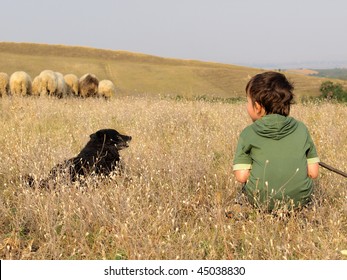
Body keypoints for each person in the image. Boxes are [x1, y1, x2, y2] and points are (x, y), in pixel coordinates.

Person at [232, 71, 320, 211]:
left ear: (258, 106)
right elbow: (313, 173)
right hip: (299, 202)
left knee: (242, 193)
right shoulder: (302, 129)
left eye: (248, 101)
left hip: (262, 201)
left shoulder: (248, 133)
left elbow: (241, 177)